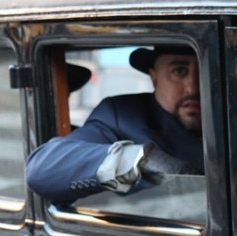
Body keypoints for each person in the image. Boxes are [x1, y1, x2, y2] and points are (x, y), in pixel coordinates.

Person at [25, 45, 202, 204]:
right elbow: (42, 169)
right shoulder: (123, 117)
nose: (193, 88)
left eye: (205, 71)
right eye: (179, 71)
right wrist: (137, 160)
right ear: (154, 77)